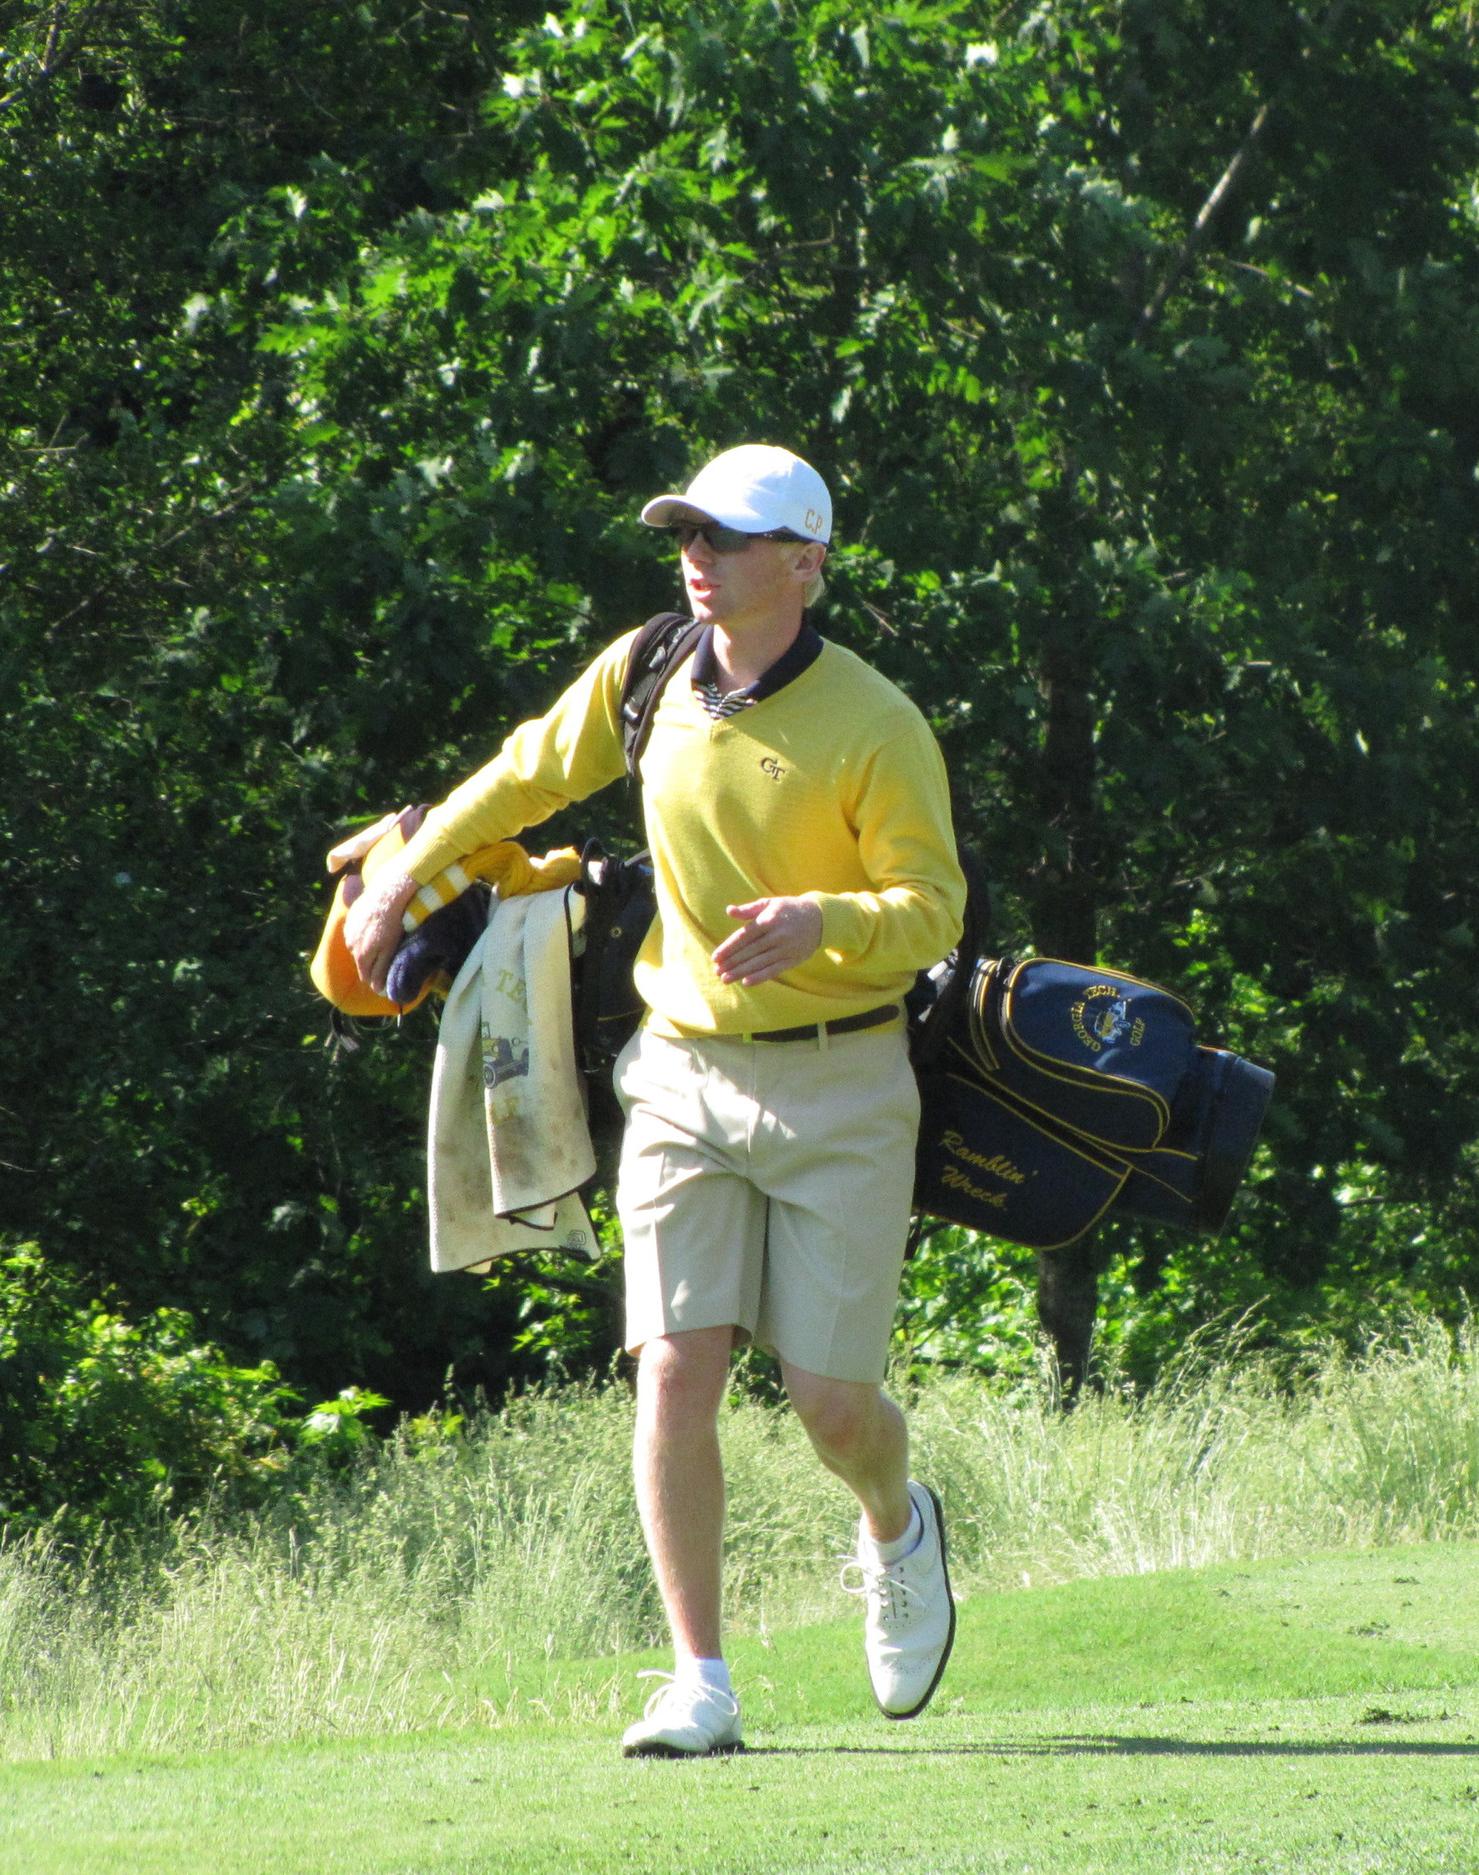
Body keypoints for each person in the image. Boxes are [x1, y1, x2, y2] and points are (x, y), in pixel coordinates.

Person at [343, 444, 966, 1758]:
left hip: (845, 1081)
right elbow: (525, 773)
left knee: (830, 1406)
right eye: (688, 534)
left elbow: (931, 913)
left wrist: (823, 921)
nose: (700, 557)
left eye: (729, 539)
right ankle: (701, 1682)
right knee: (673, 1373)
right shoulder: (648, 673)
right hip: (682, 1070)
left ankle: (897, 1524)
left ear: (804, 563)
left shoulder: (875, 722)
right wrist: (410, 867)